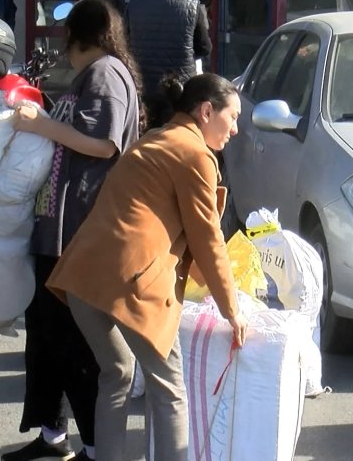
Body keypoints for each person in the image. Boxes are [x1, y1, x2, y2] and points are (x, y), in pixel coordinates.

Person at [45, 73, 248, 461]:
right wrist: (231, 309)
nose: (236, 129)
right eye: (233, 117)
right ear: (207, 111)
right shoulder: (194, 153)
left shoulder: (155, 139)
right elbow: (208, 239)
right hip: (132, 282)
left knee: (116, 374)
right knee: (169, 387)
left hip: (84, 275)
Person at [2, 0, 143, 461]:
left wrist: (41, 125)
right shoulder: (94, 74)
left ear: (78, 36)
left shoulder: (105, 75)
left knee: (75, 341)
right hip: (57, 228)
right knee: (45, 333)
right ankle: (51, 434)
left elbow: (104, 144)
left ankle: (96, 444)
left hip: (78, 231)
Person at [126, 0, 212, 129]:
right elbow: (204, 48)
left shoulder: (135, 5)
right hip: (180, 90)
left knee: (145, 141)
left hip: (143, 87)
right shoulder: (192, 6)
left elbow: (125, 44)